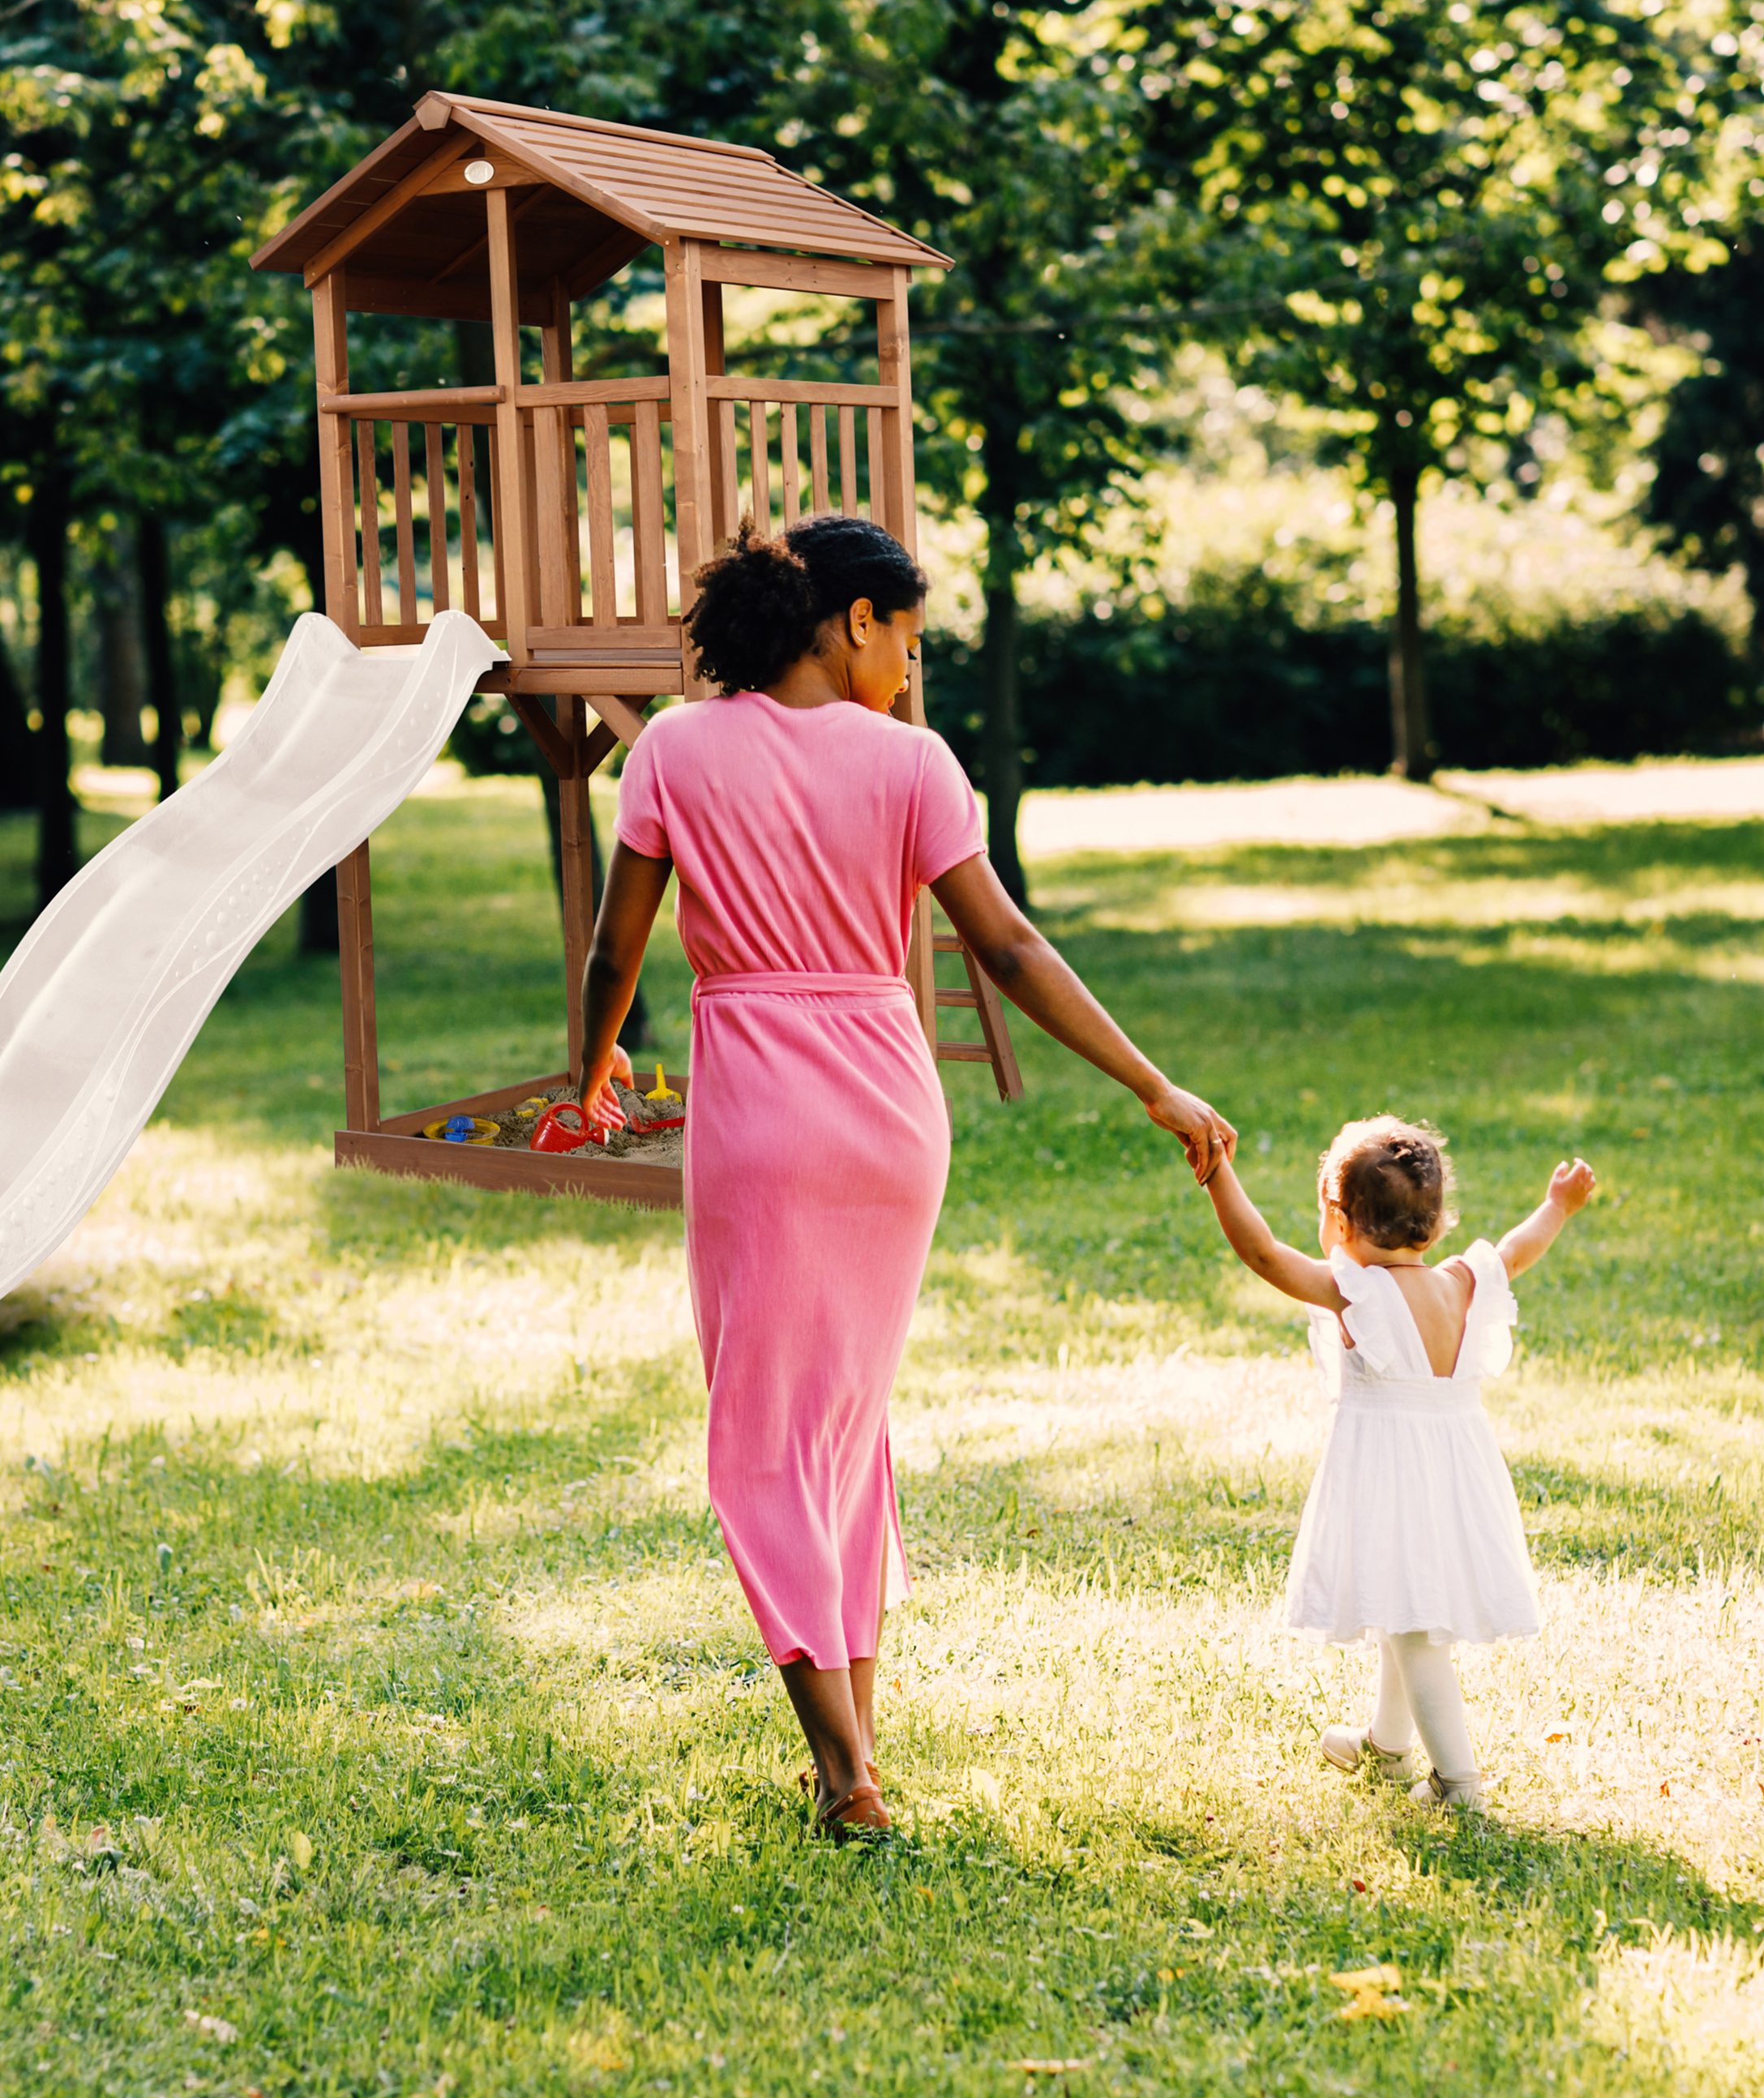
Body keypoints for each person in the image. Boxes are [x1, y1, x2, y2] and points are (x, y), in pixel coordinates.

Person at [571, 515, 1235, 1840]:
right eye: (910, 641)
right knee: (844, 1430)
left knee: (765, 1441)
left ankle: (845, 1775)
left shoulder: (674, 751)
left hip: (761, 1119)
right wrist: (1151, 1083)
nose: (911, 670)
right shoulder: (915, 764)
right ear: (855, 620)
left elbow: (613, 952)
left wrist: (589, 1076)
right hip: (890, 1118)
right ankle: (856, 1749)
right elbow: (1011, 949)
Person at [1198, 1117, 1598, 1811]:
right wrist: (1557, 1206)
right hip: (1456, 1478)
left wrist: (1217, 1173)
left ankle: (1458, 1784)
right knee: (1400, 1605)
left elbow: (1262, 1252)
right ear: (1435, 1224)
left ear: (1339, 1221)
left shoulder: (1357, 1293)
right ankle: (1386, 1746)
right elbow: (1517, 1248)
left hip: (1393, 1481)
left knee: (1415, 1632)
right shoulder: (1462, 1282)